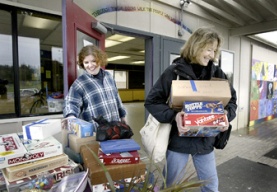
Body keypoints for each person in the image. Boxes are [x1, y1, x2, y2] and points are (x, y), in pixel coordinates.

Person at [144, 27, 237, 192]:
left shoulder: (217, 73)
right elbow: (152, 101)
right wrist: (174, 116)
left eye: (214, 50)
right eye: (208, 49)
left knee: (211, 186)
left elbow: (232, 101)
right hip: (179, 142)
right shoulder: (174, 72)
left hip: (205, 142)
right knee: (172, 186)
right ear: (196, 46)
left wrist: (225, 116)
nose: (211, 54)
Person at [63, 45, 127, 128]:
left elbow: (117, 98)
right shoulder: (80, 83)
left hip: (114, 128)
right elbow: (71, 103)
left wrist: (123, 115)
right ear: (82, 64)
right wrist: (71, 116)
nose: (90, 65)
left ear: (100, 60)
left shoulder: (109, 76)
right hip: (96, 132)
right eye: (86, 62)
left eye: (94, 61)